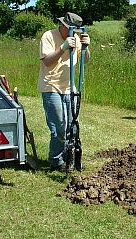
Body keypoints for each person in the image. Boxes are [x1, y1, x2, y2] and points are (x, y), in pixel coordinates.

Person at [37, 12, 91, 172]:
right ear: (63, 25)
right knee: (59, 127)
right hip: (51, 87)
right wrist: (63, 47)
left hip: (70, 88)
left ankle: (70, 157)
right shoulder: (48, 36)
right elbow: (47, 62)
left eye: (75, 31)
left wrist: (86, 47)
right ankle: (55, 160)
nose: (73, 33)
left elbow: (85, 60)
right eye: (70, 29)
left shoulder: (76, 38)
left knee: (72, 127)